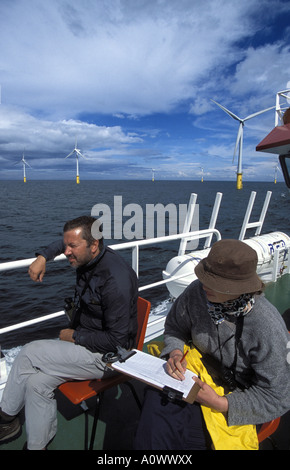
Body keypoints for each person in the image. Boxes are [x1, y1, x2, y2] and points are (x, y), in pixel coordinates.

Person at [134, 239, 290, 450]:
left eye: (215, 283)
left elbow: (276, 397)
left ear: (241, 288)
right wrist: (174, 352)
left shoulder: (266, 326)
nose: (204, 285)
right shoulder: (197, 292)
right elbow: (174, 327)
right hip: (199, 376)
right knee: (158, 398)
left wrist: (218, 402)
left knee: (184, 437)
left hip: (237, 399)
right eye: (204, 277)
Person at [0, 216, 138, 450]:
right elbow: (63, 243)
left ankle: (5, 420)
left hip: (109, 358)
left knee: (29, 353)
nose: (66, 252)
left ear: (93, 245)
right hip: (88, 342)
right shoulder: (92, 253)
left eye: (72, 247)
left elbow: (117, 341)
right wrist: (42, 257)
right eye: (67, 246)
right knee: (36, 383)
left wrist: (74, 337)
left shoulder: (115, 280)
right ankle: (38, 445)